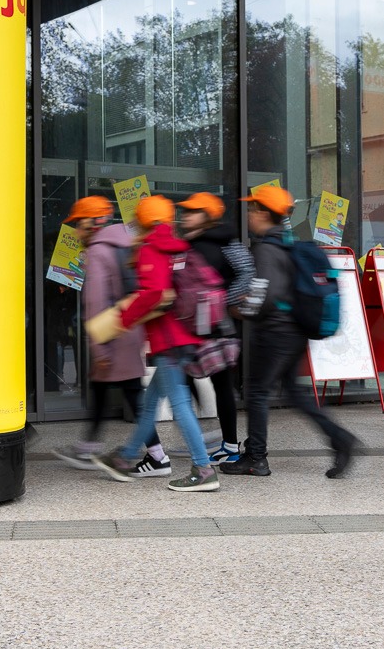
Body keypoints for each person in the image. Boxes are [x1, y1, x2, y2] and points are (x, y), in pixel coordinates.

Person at [221, 185, 359, 479]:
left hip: (274, 333)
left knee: (257, 392)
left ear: (262, 213)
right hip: (293, 332)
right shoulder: (286, 243)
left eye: (251, 208)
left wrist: (243, 309)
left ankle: (256, 458)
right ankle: (341, 439)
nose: (248, 214)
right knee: (296, 393)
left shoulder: (266, 249)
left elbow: (268, 294)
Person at [94, 195, 220, 492]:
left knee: (179, 405)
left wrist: (121, 320)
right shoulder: (176, 246)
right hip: (184, 335)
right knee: (150, 403)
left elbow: (154, 293)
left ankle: (203, 469)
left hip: (170, 341)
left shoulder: (152, 248)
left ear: (142, 221)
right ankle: (126, 458)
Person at [54, 196, 172, 476]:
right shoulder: (127, 241)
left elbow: (95, 304)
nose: (76, 231)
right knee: (105, 388)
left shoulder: (98, 251)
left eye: (78, 224)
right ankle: (88, 446)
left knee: (133, 394)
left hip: (110, 333)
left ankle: (157, 456)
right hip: (130, 329)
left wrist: (100, 350)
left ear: (91, 223)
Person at [177, 192, 256, 464]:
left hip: (217, 327)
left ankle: (229, 446)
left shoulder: (222, 242)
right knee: (185, 379)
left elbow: (248, 272)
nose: (185, 215)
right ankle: (208, 439)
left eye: (193, 211)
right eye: (185, 211)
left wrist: (227, 300)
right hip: (193, 327)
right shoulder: (190, 243)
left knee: (219, 385)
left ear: (208, 215)